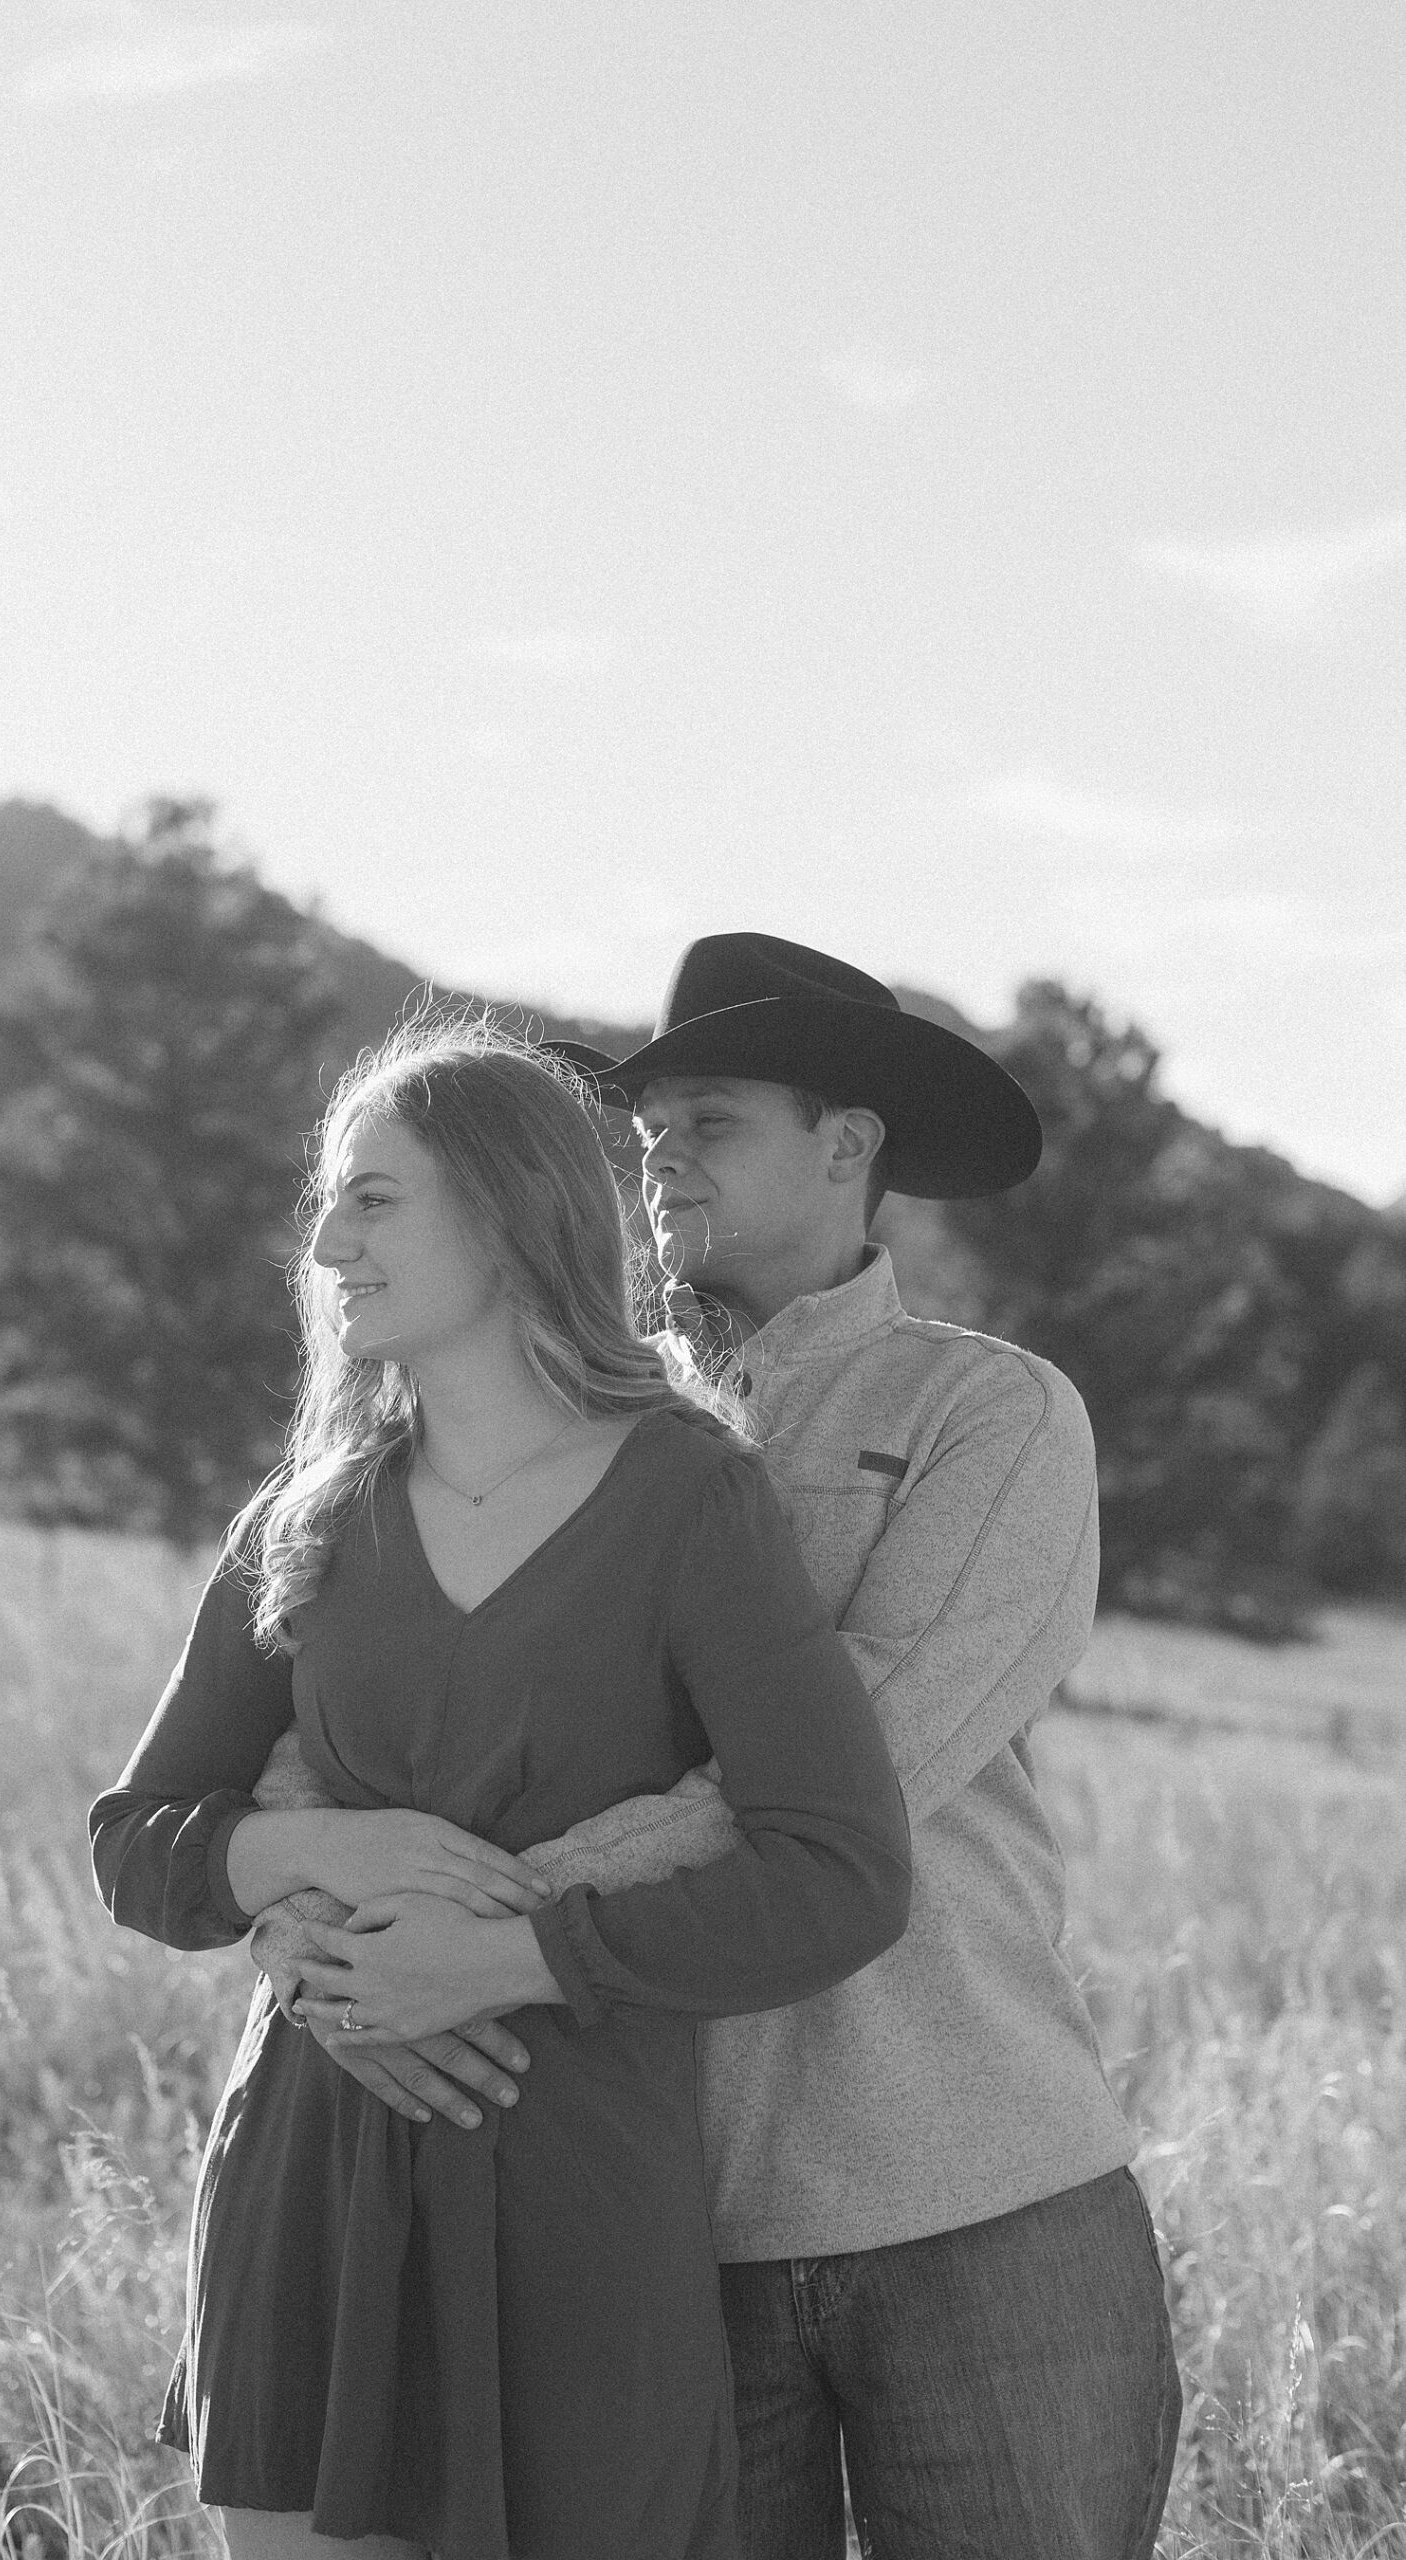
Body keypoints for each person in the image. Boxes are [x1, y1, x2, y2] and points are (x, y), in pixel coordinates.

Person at [254, 937, 1184, 2560]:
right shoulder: (531, 1413)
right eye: (645, 1129)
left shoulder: (989, 1414)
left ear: (849, 1143)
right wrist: (307, 1914)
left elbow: (855, 1764)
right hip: (648, 2219)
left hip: (973, 2196)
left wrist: (479, 1925)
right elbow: (335, 1704)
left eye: (713, 1120)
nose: (658, 1158)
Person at [89, 1015, 913, 2560]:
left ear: (508, 1205)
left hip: (571, 2205)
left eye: (373, 1199)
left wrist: (521, 1954)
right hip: (311, 2178)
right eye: (328, 1203)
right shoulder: (310, 1518)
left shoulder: (692, 1498)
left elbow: (841, 1872)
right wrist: (326, 1857)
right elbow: (135, 1845)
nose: (325, 1245)